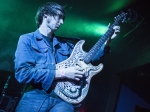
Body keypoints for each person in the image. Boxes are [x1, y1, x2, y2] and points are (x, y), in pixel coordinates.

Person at [14, 2, 120, 112]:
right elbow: (23, 73)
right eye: (59, 17)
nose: (62, 22)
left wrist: (108, 42)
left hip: (64, 100)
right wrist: (63, 72)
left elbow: (86, 60)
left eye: (63, 18)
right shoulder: (27, 39)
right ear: (45, 15)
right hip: (36, 94)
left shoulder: (66, 44)